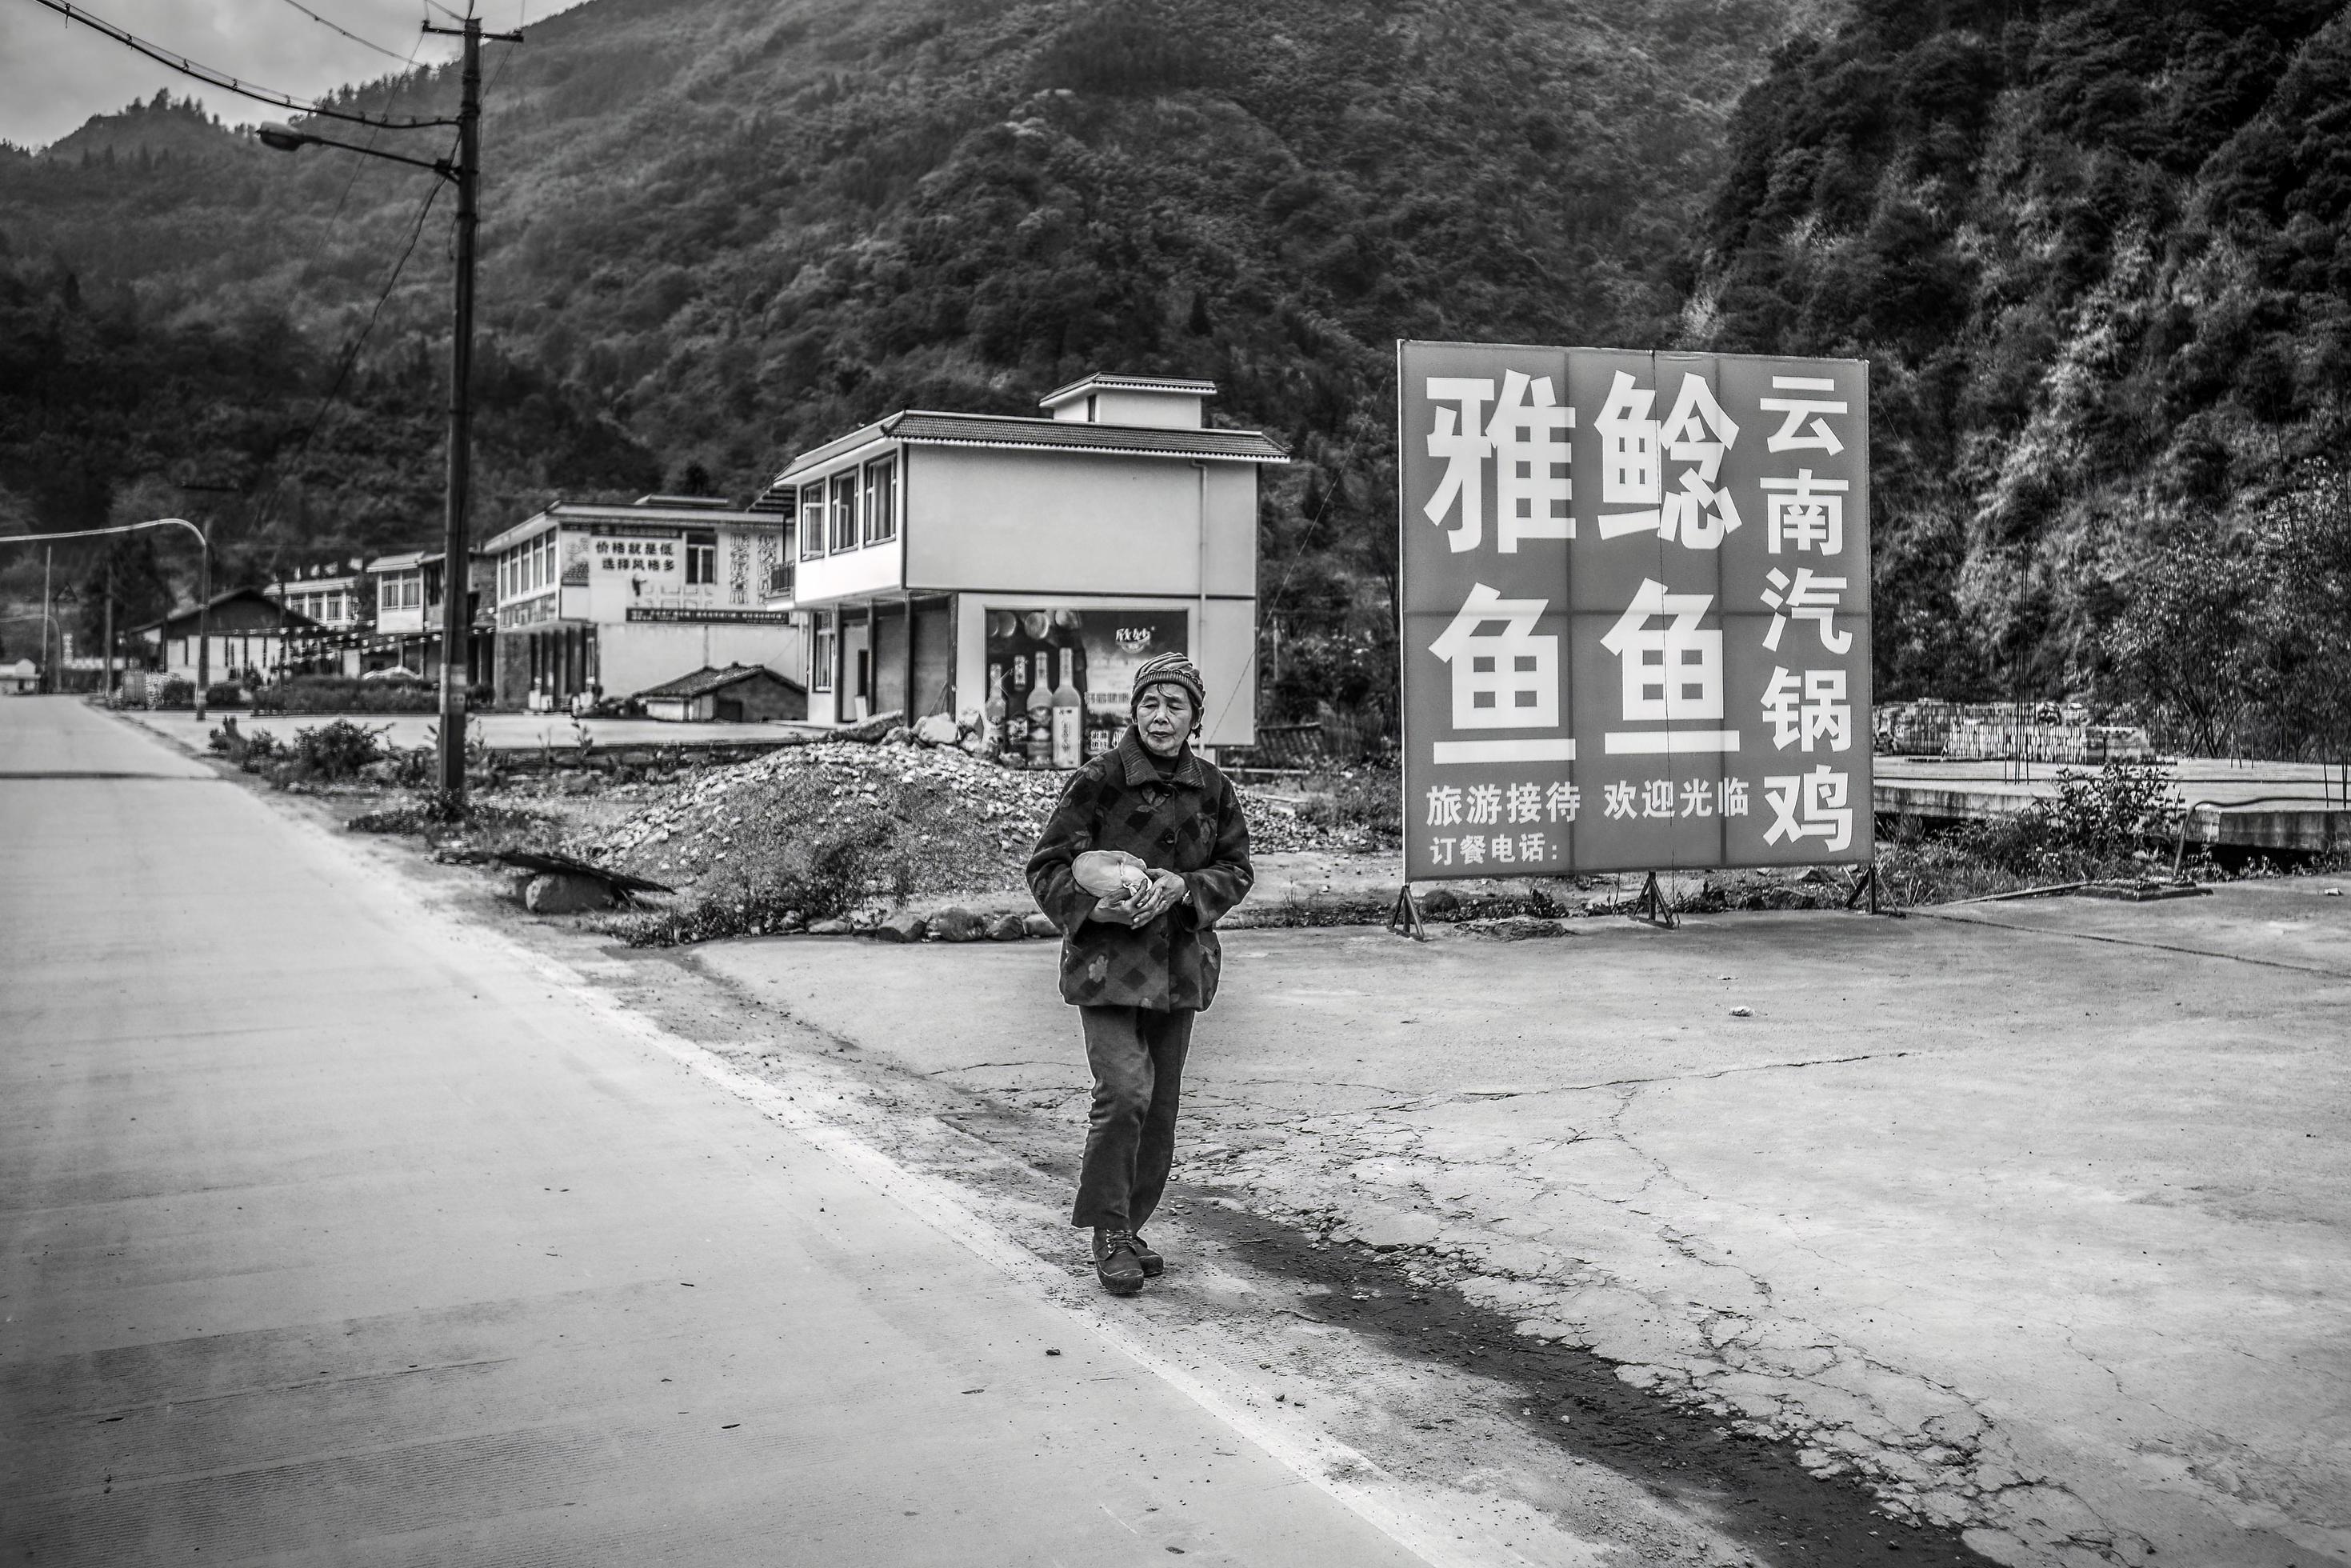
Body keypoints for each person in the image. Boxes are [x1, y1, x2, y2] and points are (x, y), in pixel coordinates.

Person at [1026, 651, 1253, 1295]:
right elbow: (1046, 867)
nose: (1160, 716)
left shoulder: (1212, 788)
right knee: (1124, 1092)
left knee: (1159, 1109)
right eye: (1149, 703)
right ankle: (1109, 1232)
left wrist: (1185, 885)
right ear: (1133, 710)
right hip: (1105, 966)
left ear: (1193, 717)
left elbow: (1236, 870)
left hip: (1178, 968)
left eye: (1174, 705)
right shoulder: (1098, 780)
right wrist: (1090, 907)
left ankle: (1126, 1223)